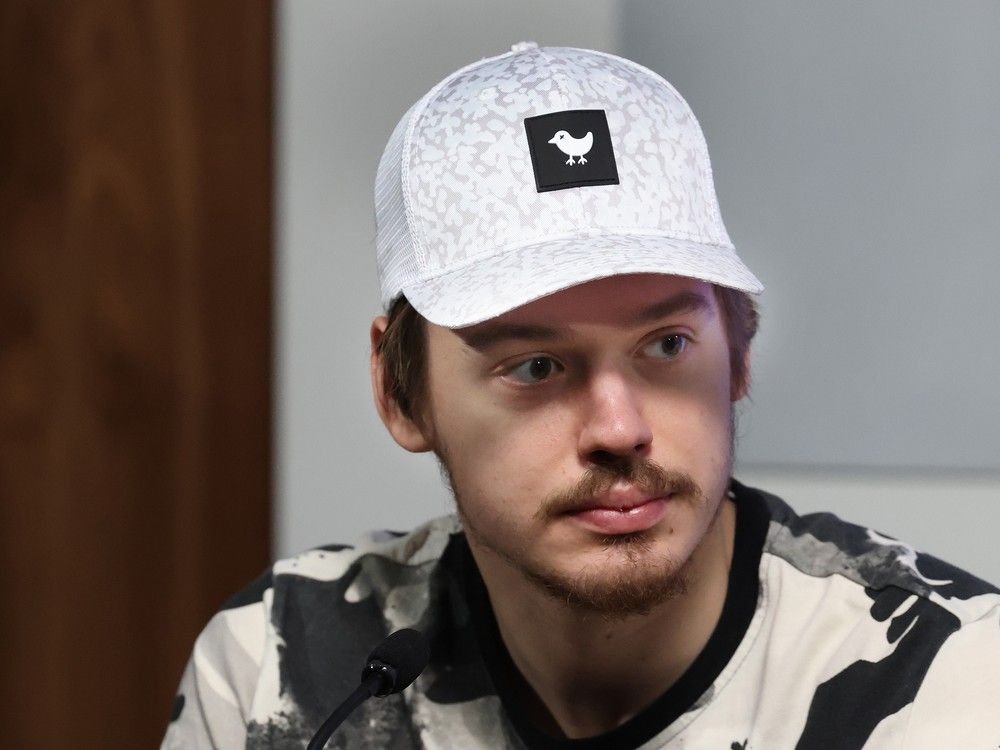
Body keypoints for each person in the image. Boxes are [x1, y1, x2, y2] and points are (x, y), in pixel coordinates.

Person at [161, 42, 1000, 749]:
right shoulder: (279, 665)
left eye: (667, 346)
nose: (619, 427)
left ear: (739, 354)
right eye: (534, 367)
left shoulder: (947, 685)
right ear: (399, 393)